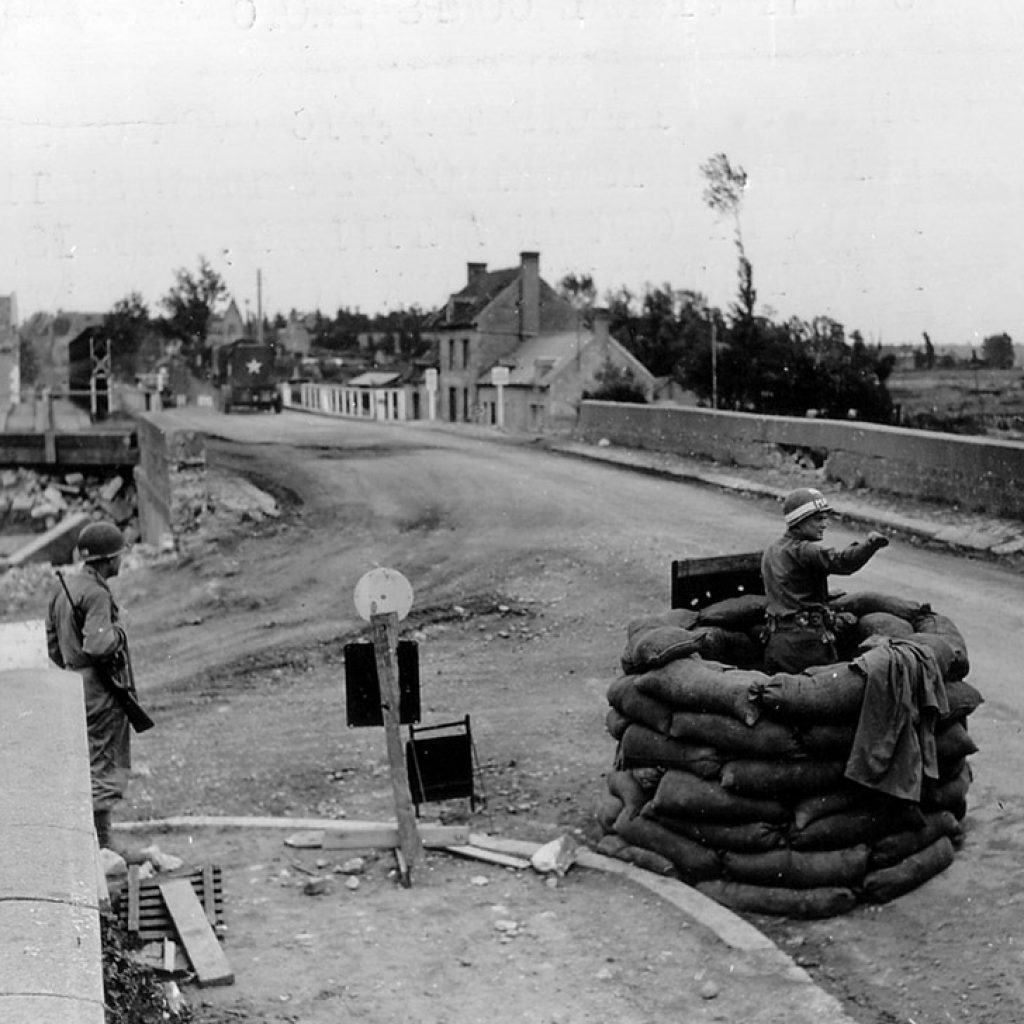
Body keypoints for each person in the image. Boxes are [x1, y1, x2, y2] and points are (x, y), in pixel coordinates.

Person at [45, 520, 135, 853]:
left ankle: (94, 844)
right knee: (101, 762)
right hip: (98, 687)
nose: (121, 561)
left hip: (72, 682)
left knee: (86, 761)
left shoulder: (63, 587)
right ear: (108, 559)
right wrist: (118, 636)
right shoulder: (96, 593)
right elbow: (99, 645)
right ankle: (104, 847)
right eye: (118, 555)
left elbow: (53, 645)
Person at [761, 487, 890, 673]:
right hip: (806, 646)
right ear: (800, 521)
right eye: (818, 519)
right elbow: (843, 562)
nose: (824, 524)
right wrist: (870, 545)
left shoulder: (772, 550)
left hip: (777, 643)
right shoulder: (804, 550)